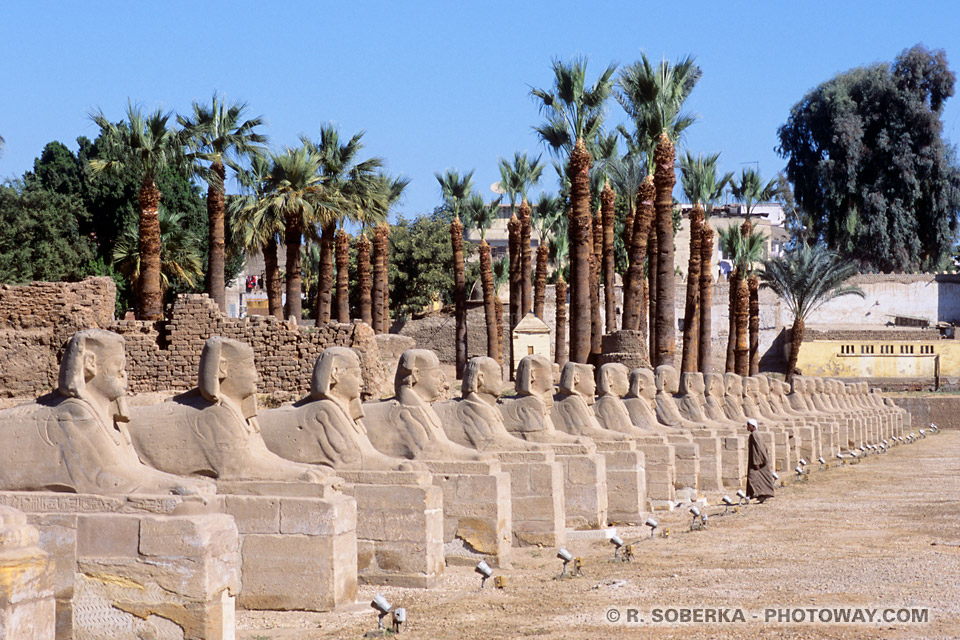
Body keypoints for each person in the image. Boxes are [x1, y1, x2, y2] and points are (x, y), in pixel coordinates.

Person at [746, 418, 775, 503]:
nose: (747, 427)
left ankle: (761, 494)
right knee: (757, 478)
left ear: (753, 426)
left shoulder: (755, 435)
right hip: (756, 460)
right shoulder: (754, 434)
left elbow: (758, 449)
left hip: (758, 461)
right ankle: (758, 495)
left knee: (753, 478)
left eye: (748, 425)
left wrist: (757, 462)